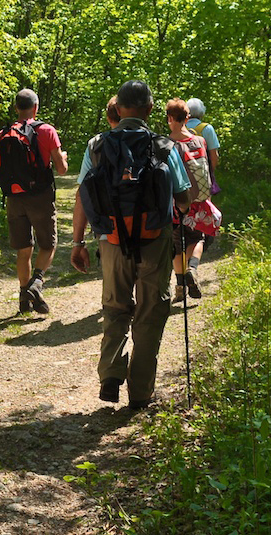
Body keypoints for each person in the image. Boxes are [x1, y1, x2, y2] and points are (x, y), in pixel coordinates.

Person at [70, 81, 192, 410]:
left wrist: (78, 242)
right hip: (154, 241)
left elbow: (83, 195)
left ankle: (111, 373)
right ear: (151, 110)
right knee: (151, 313)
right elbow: (183, 201)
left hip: (110, 239)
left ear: (118, 109)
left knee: (114, 307)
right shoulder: (165, 146)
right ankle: (140, 393)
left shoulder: (97, 145)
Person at [0, 88, 68, 315]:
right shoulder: (46, 131)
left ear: (16, 108)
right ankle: (36, 284)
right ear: (35, 108)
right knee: (48, 245)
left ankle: (24, 300)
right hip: (40, 196)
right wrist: (62, 157)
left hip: (14, 198)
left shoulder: (3, 134)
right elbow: (62, 169)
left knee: (24, 249)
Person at [166, 98, 210, 302]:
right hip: (198, 200)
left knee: (177, 244)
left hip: (177, 201)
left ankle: (180, 286)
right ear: (188, 118)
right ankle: (192, 268)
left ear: (170, 118)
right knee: (197, 238)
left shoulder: (166, 144)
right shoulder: (199, 141)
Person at [186, 98, 220, 189]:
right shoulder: (207, 129)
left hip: (184, 176)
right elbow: (214, 156)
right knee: (205, 201)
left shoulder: (181, 128)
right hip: (203, 175)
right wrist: (210, 173)